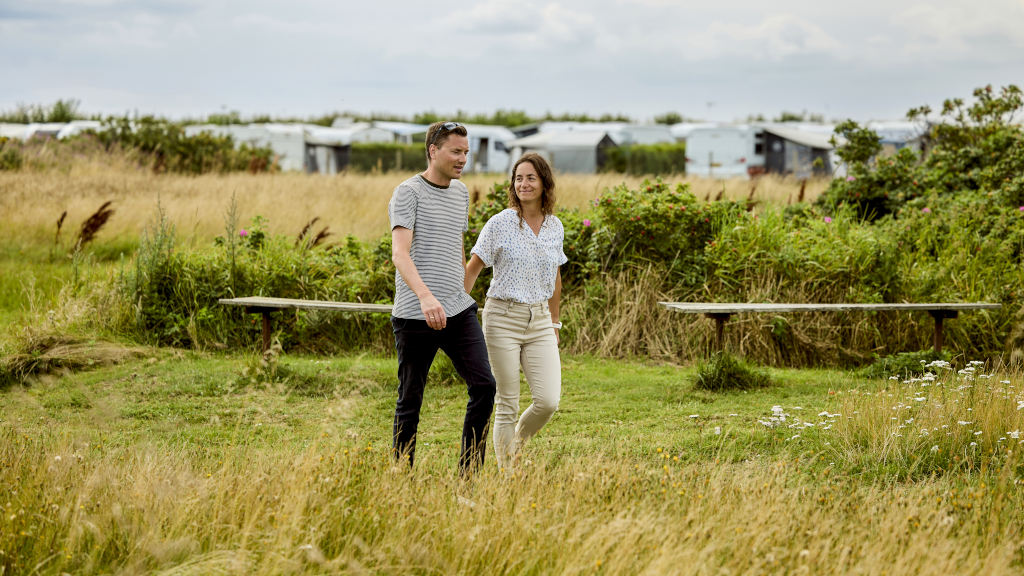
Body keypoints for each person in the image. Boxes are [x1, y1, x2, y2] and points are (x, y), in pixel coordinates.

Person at [387, 121, 496, 476]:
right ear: (433, 151)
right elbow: (400, 254)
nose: (463, 158)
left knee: (484, 385)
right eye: (455, 151)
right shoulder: (408, 192)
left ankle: (468, 478)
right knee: (411, 400)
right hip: (415, 314)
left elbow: (455, 245)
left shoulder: (461, 193)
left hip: (458, 310)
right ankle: (400, 475)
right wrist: (426, 298)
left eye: (466, 152)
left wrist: (461, 289)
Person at [464, 152, 567, 471]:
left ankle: (514, 445)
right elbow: (473, 269)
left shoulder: (555, 226)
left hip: (540, 321)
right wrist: (456, 311)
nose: (523, 183)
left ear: (544, 184)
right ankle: (509, 475)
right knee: (506, 402)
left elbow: (556, 278)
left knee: (548, 401)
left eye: (530, 178)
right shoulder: (500, 223)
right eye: (518, 178)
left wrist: (554, 322)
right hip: (502, 319)